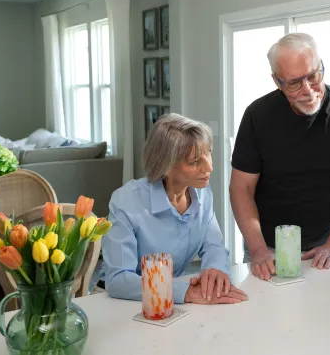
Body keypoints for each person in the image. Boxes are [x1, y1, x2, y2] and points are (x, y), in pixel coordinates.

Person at [230, 33, 330, 280]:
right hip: (268, 249)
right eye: (294, 82)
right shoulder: (258, 115)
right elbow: (241, 189)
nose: (308, 90)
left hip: (329, 245)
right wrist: (257, 249)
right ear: (277, 82)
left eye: (313, 76)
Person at [102, 113, 248, 305]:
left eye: (209, 152)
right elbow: (118, 280)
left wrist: (215, 272)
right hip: (123, 301)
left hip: (167, 298)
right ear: (165, 165)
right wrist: (185, 293)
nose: (209, 167)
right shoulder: (126, 201)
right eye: (195, 161)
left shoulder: (201, 193)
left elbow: (213, 246)